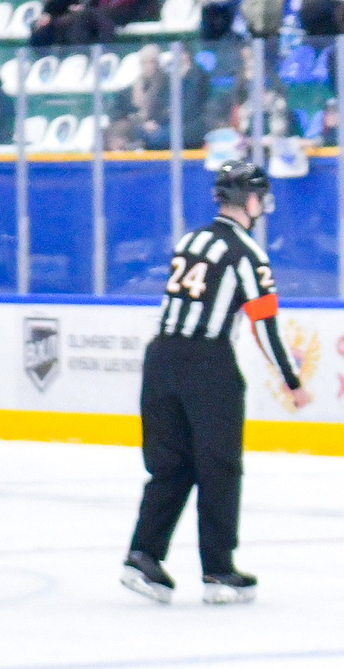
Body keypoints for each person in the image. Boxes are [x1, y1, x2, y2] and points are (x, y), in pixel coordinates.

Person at [121, 162, 311, 607]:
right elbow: (264, 325)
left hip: (161, 357)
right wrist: (291, 380)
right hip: (207, 364)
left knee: (169, 466)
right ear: (250, 200)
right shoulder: (247, 253)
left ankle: (143, 555)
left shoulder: (190, 240)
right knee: (219, 466)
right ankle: (219, 570)